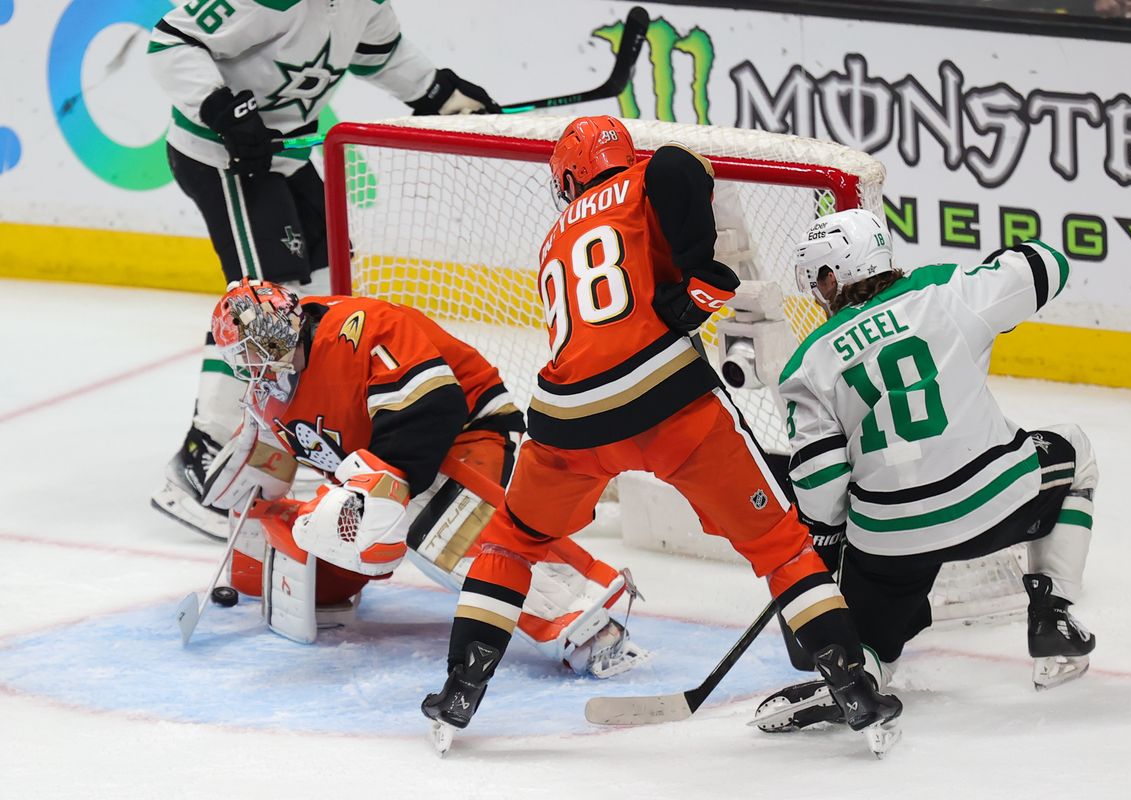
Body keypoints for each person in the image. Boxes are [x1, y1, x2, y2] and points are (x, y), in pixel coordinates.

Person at [419, 115, 902, 754]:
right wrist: (702, 285)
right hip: (665, 401)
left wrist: (691, 287)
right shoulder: (647, 177)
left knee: (510, 541)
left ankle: (460, 690)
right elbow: (682, 166)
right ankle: (851, 685)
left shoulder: (552, 243)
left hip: (567, 421)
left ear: (570, 176)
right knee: (782, 546)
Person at [145, 0, 500, 539]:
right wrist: (221, 109)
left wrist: (440, 95)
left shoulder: (364, 6)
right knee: (263, 306)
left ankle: (300, 440)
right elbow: (170, 41)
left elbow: (384, 54)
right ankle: (204, 456)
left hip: (284, 154)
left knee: (326, 290)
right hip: (221, 156)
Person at [755, 210, 1097, 732]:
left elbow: (820, 497)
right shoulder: (945, 291)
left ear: (831, 277)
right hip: (997, 501)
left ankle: (858, 677)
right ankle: (1052, 615)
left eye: (817, 277)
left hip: (890, 540)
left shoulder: (806, 364)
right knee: (1076, 450)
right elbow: (1048, 263)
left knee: (871, 641)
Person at [199, 278, 646, 677]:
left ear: (291, 316)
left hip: (469, 433)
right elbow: (271, 459)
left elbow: (434, 410)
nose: (264, 356)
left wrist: (381, 490)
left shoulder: (363, 328)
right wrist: (253, 493)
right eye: (251, 352)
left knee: (438, 530)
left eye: (270, 340)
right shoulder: (265, 390)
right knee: (319, 530)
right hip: (384, 460)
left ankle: (586, 619)